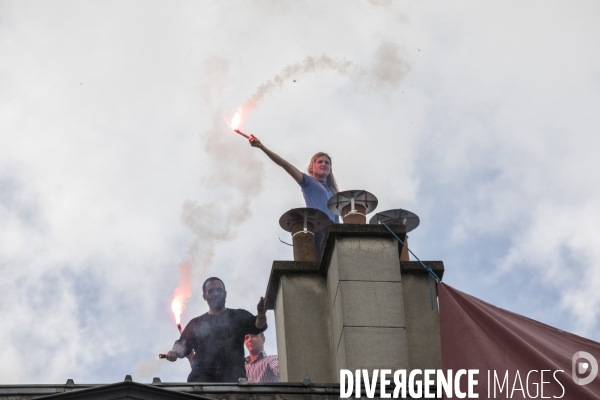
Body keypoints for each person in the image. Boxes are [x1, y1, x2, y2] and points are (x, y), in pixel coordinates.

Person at [249, 136, 340, 255]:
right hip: (318, 225)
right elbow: (285, 165)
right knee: (325, 258)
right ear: (312, 167)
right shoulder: (308, 182)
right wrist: (261, 147)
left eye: (327, 162)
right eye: (320, 161)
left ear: (330, 169)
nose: (324, 164)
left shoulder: (334, 193)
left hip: (334, 230)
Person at [166, 277, 267, 383]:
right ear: (204, 296)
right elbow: (182, 345)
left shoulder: (238, 315)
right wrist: (174, 352)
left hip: (233, 379)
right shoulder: (195, 323)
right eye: (211, 291)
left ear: (225, 293)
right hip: (202, 380)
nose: (216, 294)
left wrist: (261, 313)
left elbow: (258, 326)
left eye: (219, 290)